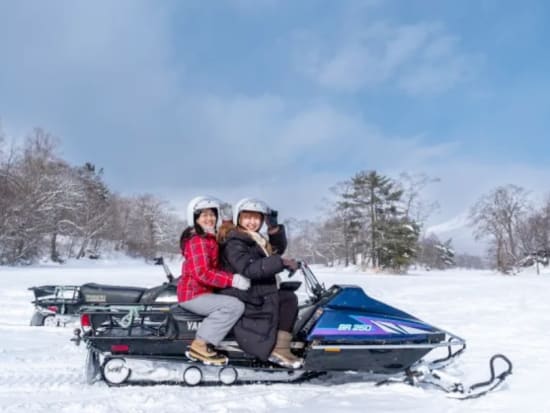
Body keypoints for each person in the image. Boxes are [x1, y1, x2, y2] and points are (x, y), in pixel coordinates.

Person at [218, 198, 302, 369]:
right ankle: (279, 348)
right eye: (247, 217)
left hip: (253, 289)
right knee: (288, 299)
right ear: (238, 218)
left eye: (257, 218)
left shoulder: (254, 238)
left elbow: (274, 250)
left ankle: (284, 343)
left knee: (287, 295)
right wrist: (280, 262)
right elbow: (248, 268)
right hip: (244, 293)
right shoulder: (234, 241)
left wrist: (274, 229)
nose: (252, 222)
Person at [178, 196, 250, 366]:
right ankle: (200, 344)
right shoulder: (198, 240)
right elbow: (202, 273)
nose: (209, 218)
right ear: (195, 218)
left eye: (212, 214)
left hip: (201, 291)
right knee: (233, 306)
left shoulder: (209, 238)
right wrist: (233, 280)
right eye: (204, 215)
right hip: (193, 294)